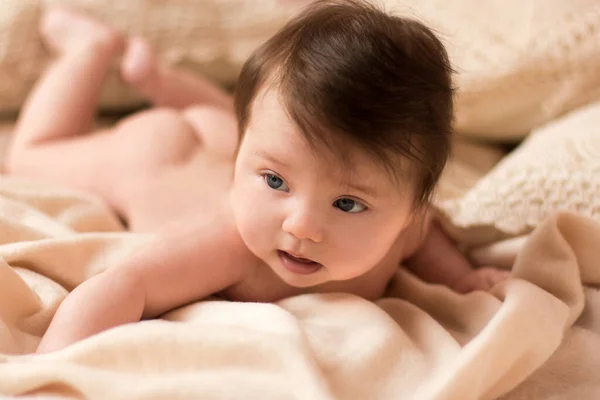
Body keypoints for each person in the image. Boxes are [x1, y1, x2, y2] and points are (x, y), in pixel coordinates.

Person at [5, 0, 509, 354]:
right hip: (159, 157)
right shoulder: (232, 246)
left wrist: (461, 277)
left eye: (348, 204)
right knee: (30, 155)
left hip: (247, 143)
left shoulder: (405, 222)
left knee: (287, 137)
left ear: (409, 211)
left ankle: (165, 83)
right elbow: (125, 285)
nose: (302, 227)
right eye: (274, 185)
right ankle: (88, 49)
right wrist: (55, 365)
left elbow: (427, 237)